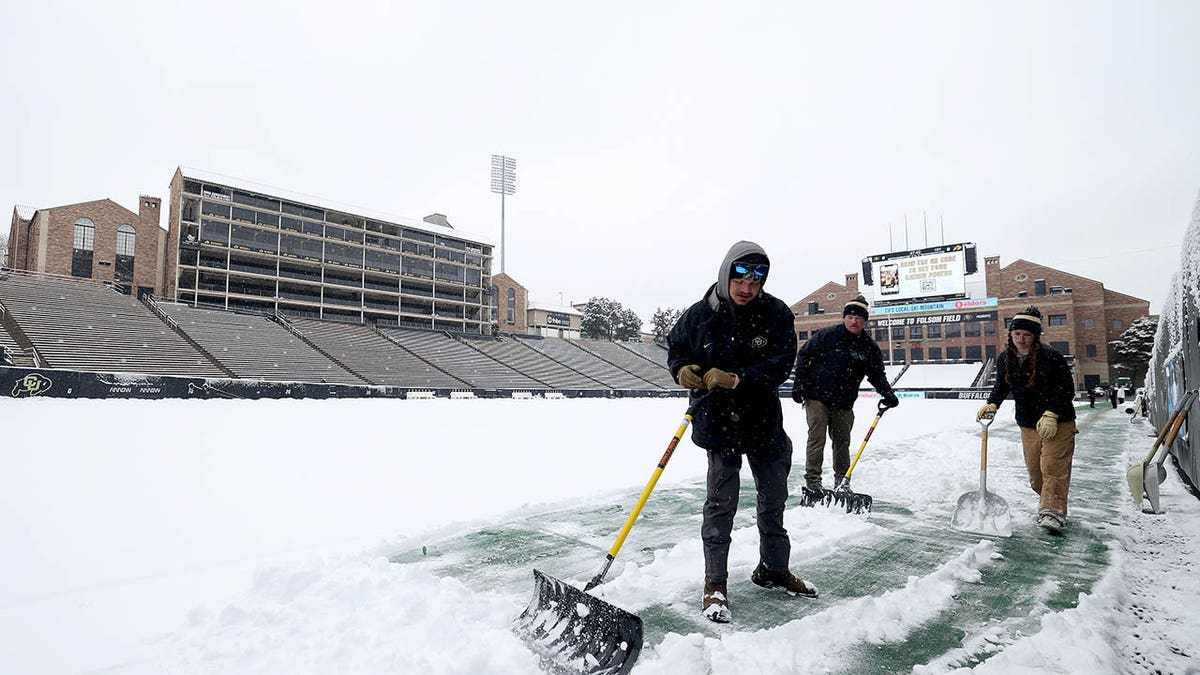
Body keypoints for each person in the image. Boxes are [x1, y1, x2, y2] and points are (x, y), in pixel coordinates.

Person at [667, 240, 816, 625]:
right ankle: (715, 584)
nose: (748, 288)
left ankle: (773, 569)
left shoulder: (776, 313)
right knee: (720, 506)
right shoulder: (699, 315)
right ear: (726, 273)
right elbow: (676, 348)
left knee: (773, 502)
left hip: (763, 422)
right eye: (741, 278)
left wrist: (738, 378)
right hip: (718, 424)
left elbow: (782, 363)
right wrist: (681, 369)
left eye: (757, 279)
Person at [976, 306, 1077, 533]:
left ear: (1035, 337)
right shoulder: (1006, 358)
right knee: (1036, 475)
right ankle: (1049, 502)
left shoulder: (1051, 357)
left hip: (1058, 422)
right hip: (1028, 422)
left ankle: (1053, 512)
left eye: (1027, 335)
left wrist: (1052, 413)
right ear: (1011, 335)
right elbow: (1001, 385)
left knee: (1053, 468)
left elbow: (1066, 389)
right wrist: (993, 403)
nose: (1021, 339)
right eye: (1017, 334)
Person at [791, 294, 899, 494]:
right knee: (817, 437)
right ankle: (813, 482)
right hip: (817, 395)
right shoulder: (827, 336)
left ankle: (842, 481)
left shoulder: (868, 347)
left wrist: (887, 393)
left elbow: (876, 374)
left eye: (859, 318)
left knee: (842, 441)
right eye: (850, 317)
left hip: (844, 401)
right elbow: (804, 355)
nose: (854, 321)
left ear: (864, 321)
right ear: (844, 318)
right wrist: (799, 385)